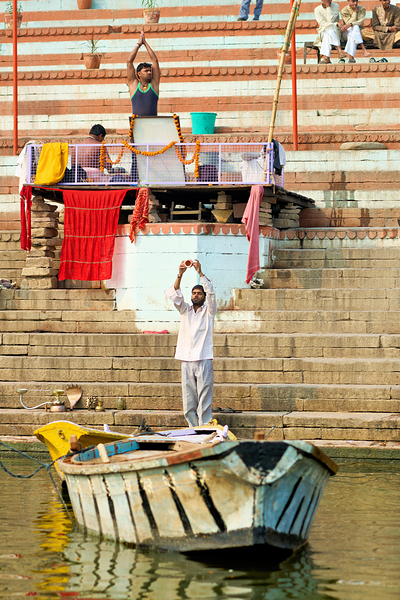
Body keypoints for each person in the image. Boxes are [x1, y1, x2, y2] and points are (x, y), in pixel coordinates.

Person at [165, 260, 216, 427]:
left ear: (204, 297)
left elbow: (212, 293)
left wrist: (200, 273)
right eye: (194, 293)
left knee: (204, 399)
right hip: (186, 360)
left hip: (203, 359)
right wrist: (180, 273)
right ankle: (194, 429)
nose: (196, 295)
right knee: (188, 400)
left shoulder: (209, 311)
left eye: (199, 293)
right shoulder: (184, 310)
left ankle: (205, 428)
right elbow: (174, 295)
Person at [127, 30, 160, 116]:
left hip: (153, 125)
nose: (149, 72)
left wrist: (145, 43)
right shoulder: (134, 84)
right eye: (146, 71)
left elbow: (155, 60)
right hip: (137, 126)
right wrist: (138, 44)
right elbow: (129, 61)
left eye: (150, 71)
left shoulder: (154, 84)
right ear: (139, 74)